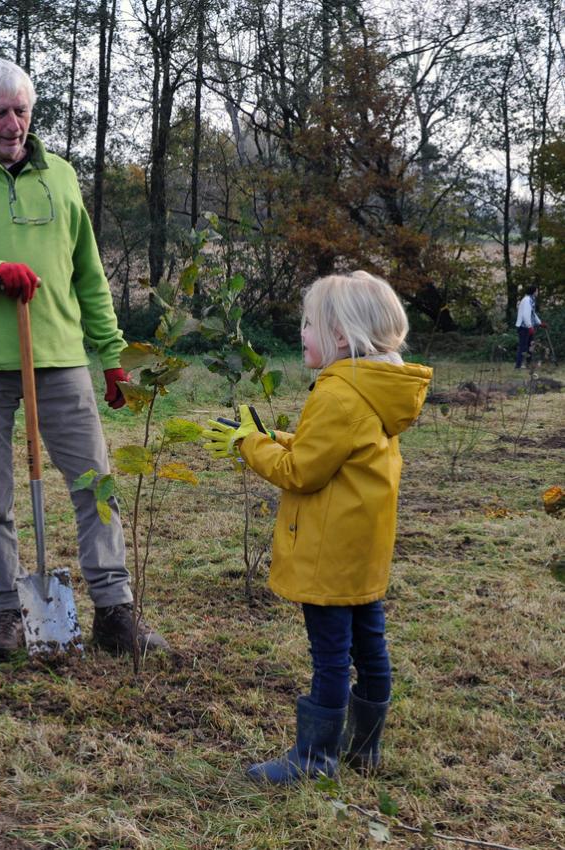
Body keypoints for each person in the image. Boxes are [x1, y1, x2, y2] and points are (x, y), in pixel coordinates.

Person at [0, 59, 167, 659]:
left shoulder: (64, 178)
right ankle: (8, 611)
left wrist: (112, 357)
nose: (13, 123)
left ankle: (114, 610)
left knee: (95, 483)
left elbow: (90, 277)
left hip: (60, 356)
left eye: (21, 110)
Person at [202, 271, 432, 784]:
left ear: (343, 336)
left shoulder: (337, 396)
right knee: (369, 646)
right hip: (363, 551)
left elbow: (301, 471)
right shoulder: (374, 390)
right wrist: (272, 435)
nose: (301, 331)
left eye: (309, 323)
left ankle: (314, 760)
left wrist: (248, 445)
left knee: (330, 658)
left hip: (329, 555)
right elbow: (330, 450)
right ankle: (363, 749)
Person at [515, 284, 546, 368]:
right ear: (533, 291)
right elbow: (525, 315)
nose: (537, 292)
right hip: (524, 327)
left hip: (528, 327)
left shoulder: (531, 300)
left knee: (530, 346)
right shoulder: (527, 300)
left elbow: (532, 314)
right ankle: (518, 365)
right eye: (537, 291)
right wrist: (530, 326)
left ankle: (527, 364)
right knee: (523, 346)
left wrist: (540, 323)